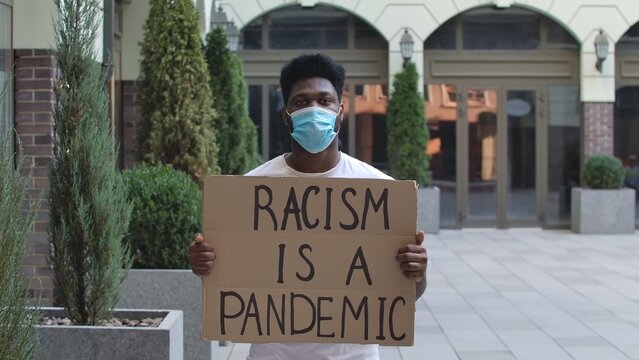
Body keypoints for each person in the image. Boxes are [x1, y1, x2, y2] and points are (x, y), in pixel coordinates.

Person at [188, 53, 428, 360]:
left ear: (340, 112)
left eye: (324, 100)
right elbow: (225, 277)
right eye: (301, 102)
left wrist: (417, 272)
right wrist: (202, 263)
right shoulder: (249, 190)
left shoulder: (381, 190)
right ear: (286, 114)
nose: (314, 109)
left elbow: (407, 294)